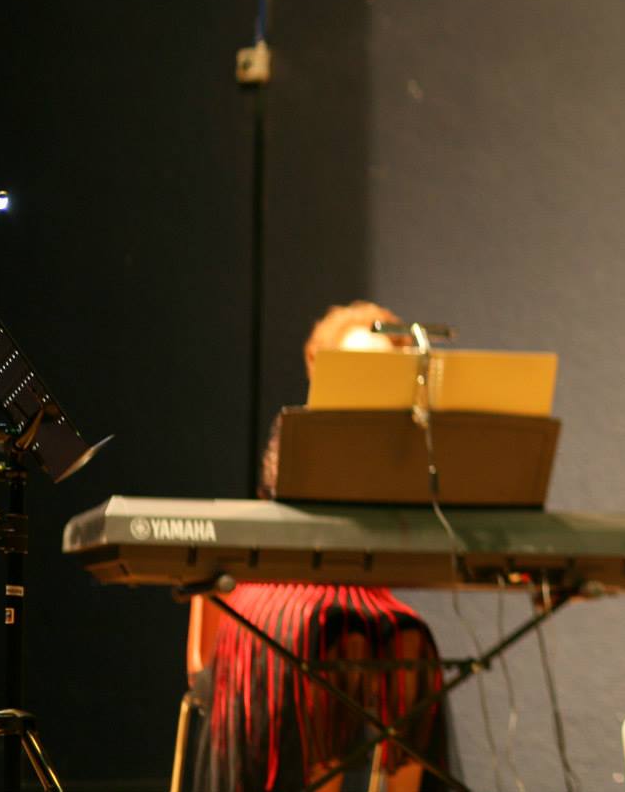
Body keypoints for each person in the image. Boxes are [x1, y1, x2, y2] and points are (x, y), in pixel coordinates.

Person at [189, 301, 450, 792]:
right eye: (357, 364)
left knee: (414, 642)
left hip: (359, 598)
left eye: (383, 366)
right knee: (318, 636)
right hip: (280, 592)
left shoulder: (411, 445)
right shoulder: (300, 430)